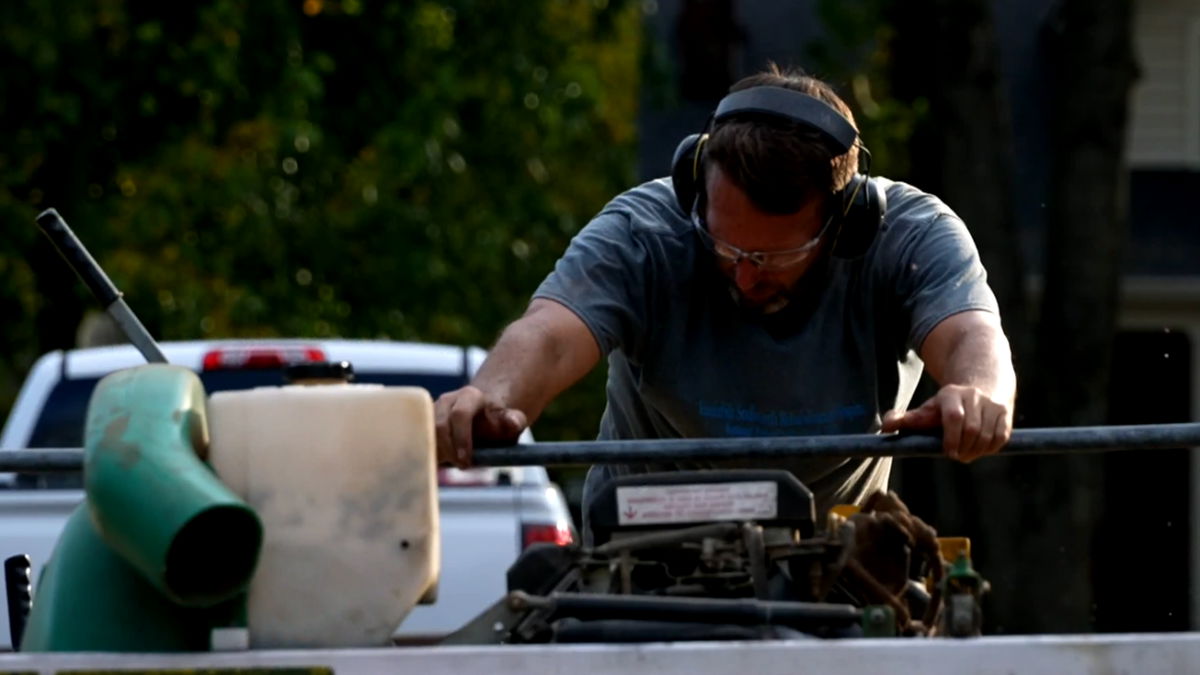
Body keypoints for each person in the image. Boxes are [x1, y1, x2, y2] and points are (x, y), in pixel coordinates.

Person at [433, 65, 1016, 533]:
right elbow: (550, 335)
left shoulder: (910, 238)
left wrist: (980, 394)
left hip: (833, 566)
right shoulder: (645, 233)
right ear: (695, 187)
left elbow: (972, 336)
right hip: (642, 559)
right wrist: (490, 397)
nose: (742, 277)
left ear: (847, 224)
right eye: (723, 246)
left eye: (772, 258)